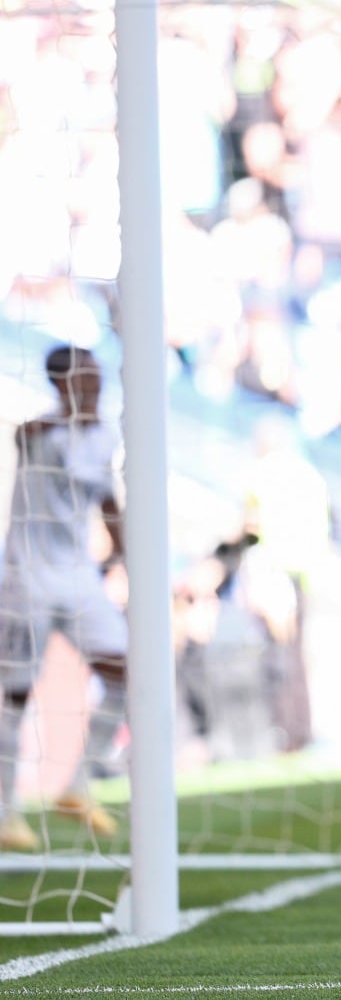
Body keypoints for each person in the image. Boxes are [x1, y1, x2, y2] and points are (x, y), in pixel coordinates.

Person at [0, 345, 126, 851]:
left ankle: (76, 786)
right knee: (15, 695)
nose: (95, 385)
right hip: (26, 575)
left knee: (127, 670)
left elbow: (108, 500)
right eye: (85, 378)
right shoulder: (42, 432)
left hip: (78, 577)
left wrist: (122, 555)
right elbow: (23, 434)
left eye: (97, 375)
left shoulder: (105, 435)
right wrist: (64, 420)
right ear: (61, 384)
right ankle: (6, 812)